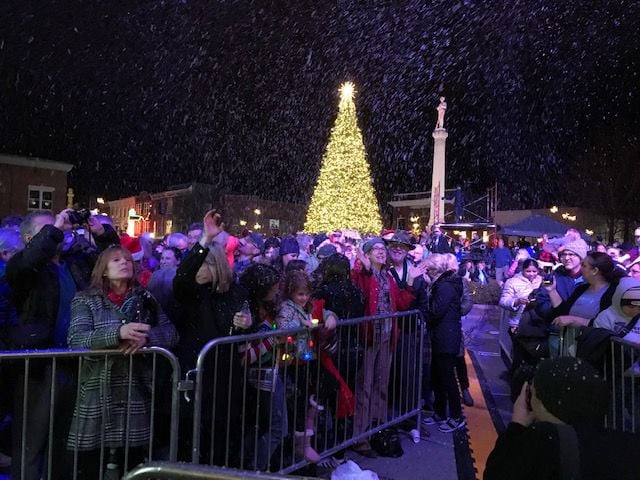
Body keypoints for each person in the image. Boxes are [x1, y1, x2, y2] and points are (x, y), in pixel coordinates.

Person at [6, 209, 119, 480]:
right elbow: (30, 259)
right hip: (39, 364)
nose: (60, 232)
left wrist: (102, 233)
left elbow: (111, 258)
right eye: (48, 230)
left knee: (66, 445)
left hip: (76, 362)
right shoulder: (24, 267)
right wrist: (55, 228)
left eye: (60, 228)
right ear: (28, 237)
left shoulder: (75, 264)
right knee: (31, 444)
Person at [66, 245, 178, 479]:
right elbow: (77, 339)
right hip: (98, 389)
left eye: (127, 259)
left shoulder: (145, 297)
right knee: (91, 465)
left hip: (135, 390)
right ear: (103, 270)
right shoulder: (86, 300)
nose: (124, 262)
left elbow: (170, 333)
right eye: (116, 260)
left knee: (133, 464)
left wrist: (146, 339)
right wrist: (118, 333)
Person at [484, 357, 640, 480]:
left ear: (539, 401)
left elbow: (497, 474)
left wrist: (516, 426)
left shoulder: (543, 445)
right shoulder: (629, 445)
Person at [350, 237, 417, 456]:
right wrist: (365, 270)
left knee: (381, 385)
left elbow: (401, 303)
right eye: (375, 249)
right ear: (366, 254)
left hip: (388, 337)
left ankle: (376, 428)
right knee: (365, 386)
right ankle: (360, 436)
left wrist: (409, 283)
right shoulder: (361, 275)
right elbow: (358, 290)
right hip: (369, 338)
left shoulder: (388, 276)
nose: (381, 251)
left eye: (382, 248)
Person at [276, 269, 337, 463]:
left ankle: (305, 439)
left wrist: (329, 316)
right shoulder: (286, 307)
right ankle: (299, 444)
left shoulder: (304, 306)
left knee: (320, 388)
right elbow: (283, 328)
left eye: (306, 293)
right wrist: (303, 325)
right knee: (298, 403)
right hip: (292, 360)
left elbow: (320, 310)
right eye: (300, 294)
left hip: (305, 357)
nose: (304, 298)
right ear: (291, 293)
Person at [422, 254, 466, 432]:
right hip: (443, 336)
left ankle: (456, 415)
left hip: (446, 337)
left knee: (447, 378)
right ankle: (440, 412)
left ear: (434, 270)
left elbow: (435, 311)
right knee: (439, 376)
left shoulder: (445, 286)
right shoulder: (444, 284)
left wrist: (424, 304)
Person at [550, 252, 626, 328]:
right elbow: (563, 314)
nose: (580, 268)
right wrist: (551, 290)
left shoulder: (613, 293)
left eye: (583, 265)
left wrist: (575, 320)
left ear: (594, 271)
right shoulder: (581, 289)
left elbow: (606, 324)